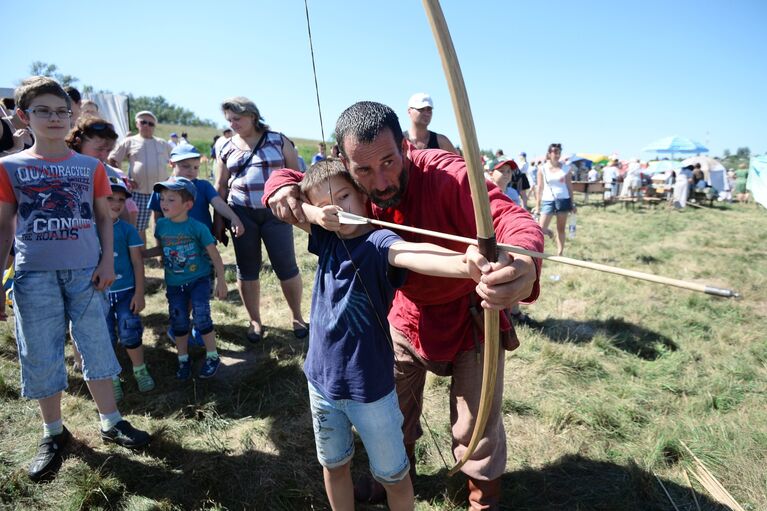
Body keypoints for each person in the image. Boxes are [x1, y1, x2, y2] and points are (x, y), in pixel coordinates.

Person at [265, 101, 543, 510]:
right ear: (345, 162)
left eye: (389, 162)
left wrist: (522, 261)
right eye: (364, 171)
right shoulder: (348, 189)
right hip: (403, 312)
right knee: (394, 408)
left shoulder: (448, 173)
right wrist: (281, 186)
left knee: (475, 423)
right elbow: (299, 176)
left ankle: (484, 498)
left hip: (468, 313)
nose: (379, 181)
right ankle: (394, 477)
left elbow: (509, 219)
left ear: (405, 147)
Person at [297, 159, 485, 511]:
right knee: (334, 465)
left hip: (370, 391)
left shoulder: (378, 241)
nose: (338, 210)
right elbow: (290, 204)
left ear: (364, 196)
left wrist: (464, 264)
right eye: (327, 206)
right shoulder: (325, 237)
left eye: (344, 197)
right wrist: (315, 213)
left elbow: (412, 253)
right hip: (320, 383)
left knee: (394, 477)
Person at [0, 76, 150, 482]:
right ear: (23, 116)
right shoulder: (9, 167)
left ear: (71, 116)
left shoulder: (90, 167)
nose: (54, 118)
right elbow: (4, 226)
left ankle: (111, 420)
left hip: (87, 273)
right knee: (41, 353)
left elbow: (104, 217)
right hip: (33, 275)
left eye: (61, 111)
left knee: (97, 345)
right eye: (43, 111)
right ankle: (53, 432)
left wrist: (106, 264)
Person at [213, 96, 308, 343]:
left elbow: (297, 175)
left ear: (253, 116)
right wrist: (219, 220)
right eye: (229, 120)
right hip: (241, 214)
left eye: (238, 118)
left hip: (277, 213)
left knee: (286, 267)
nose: (233, 123)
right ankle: (255, 321)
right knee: (247, 270)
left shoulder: (278, 139)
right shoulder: (225, 146)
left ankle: (297, 317)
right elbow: (221, 185)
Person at [144, 177, 228, 379]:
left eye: (171, 199)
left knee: (201, 316)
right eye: (162, 198)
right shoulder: (162, 226)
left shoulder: (198, 228)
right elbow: (162, 249)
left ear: (188, 205)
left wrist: (222, 281)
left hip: (199, 280)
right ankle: (183, 360)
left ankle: (212, 356)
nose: (164, 203)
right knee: (179, 322)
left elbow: (214, 255)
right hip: (174, 284)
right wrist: (140, 254)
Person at [104, 177, 155, 400]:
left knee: (130, 330)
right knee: (104, 337)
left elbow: (137, 262)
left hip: (126, 292)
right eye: (110, 198)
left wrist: (139, 292)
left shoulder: (127, 230)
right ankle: (112, 376)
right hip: (99, 295)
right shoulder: (88, 230)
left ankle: (140, 369)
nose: (116, 204)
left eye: (121, 200)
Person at [107, 110, 172, 243]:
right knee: (139, 226)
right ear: (137, 124)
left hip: (161, 191)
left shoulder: (162, 143)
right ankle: (141, 255)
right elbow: (112, 159)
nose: (147, 125)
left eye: (150, 123)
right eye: (143, 122)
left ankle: (161, 253)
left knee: (162, 223)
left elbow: (175, 160)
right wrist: (124, 179)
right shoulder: (129, 141)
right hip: (139, 191)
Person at [535, 143, 576, 256]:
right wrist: (537, 205)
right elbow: (540, 188)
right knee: (541, 228)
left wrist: (572, 204)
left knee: (561, 228)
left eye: (559, 152)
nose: (557, 155)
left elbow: (569, 186)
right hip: (548, 200)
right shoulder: (542, 168)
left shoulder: (566, 168)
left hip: (563, 199)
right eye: (554, 152)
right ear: (549, 154)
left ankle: (560, 252)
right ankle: (543, 242)